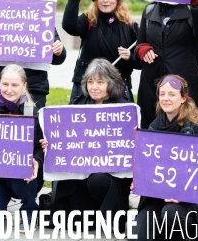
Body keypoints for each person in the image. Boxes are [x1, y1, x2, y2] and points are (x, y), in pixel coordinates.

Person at [134, 75, 198, 241]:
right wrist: (140, 182)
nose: (166, 99)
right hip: (158, 197)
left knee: (171, 213)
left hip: (193, 202)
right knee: (137, 235)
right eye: (162, 94)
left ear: (183, 98)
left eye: (171, 94)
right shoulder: (153, 127)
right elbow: (148, 169)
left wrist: (183, 194)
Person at [41, 59, 131, 232]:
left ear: (111, 83)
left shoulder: (123, 109)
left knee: (97, 180)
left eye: (100, 82)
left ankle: (114, 215)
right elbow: (64, 139)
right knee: (76, 222)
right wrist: (52, 145)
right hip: (79, 175)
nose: (94, 87)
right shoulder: (77, 104)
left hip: (107, 176)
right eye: (90, 82)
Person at [0, 64, 44, 232]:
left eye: (14, 85)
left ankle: (29, 211)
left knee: (25, 166)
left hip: (24, 178)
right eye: (5, 84)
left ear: (24, 86)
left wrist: (37, 161)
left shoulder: (33, 113)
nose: (9, 90)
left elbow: (41, 148)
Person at [135, 0, 198, 128]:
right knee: (152, 130)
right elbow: (138, 46)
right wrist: (141, 49)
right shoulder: (150, 10)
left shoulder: (192, 9)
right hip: (152, 85)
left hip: (184, 83)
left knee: (188, 127)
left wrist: (196, 2)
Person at [62, 0, 139, 102]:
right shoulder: (88, 19)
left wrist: (130, 57)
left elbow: (139, 63)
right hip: (87, 86)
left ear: (118, 0)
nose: (105, 0)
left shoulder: (130, 26)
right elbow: (69, 26)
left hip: (117, 88)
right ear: (96, 0)